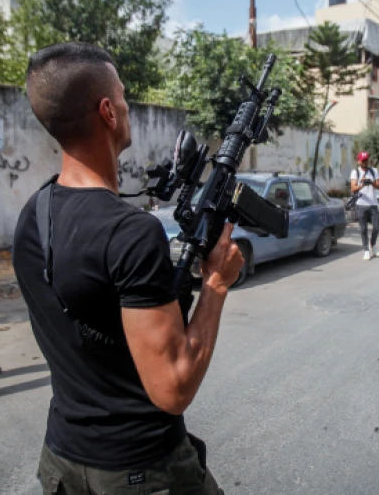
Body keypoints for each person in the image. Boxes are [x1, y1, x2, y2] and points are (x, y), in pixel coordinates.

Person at [13, 42, 241, 494]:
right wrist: (216, 282)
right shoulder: (130, 233)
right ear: (107, 112)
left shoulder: (33, 215)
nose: (126, 104)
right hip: (138, 471)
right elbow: (172, 388)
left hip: (62, 462)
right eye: (122, 95)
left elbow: (95, 317)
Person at [350, 151, 379, 260]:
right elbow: (353, 188)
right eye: (363, 160)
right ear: (359, 161)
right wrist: (362, 185)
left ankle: (373, 245)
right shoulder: (355, 172)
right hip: (361, 205)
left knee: (376, 228)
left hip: (373, 204)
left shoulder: (374, 171)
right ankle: (366, 250)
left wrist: (371, 182)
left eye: (366, 160)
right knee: (363, 229)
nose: (365, 162)